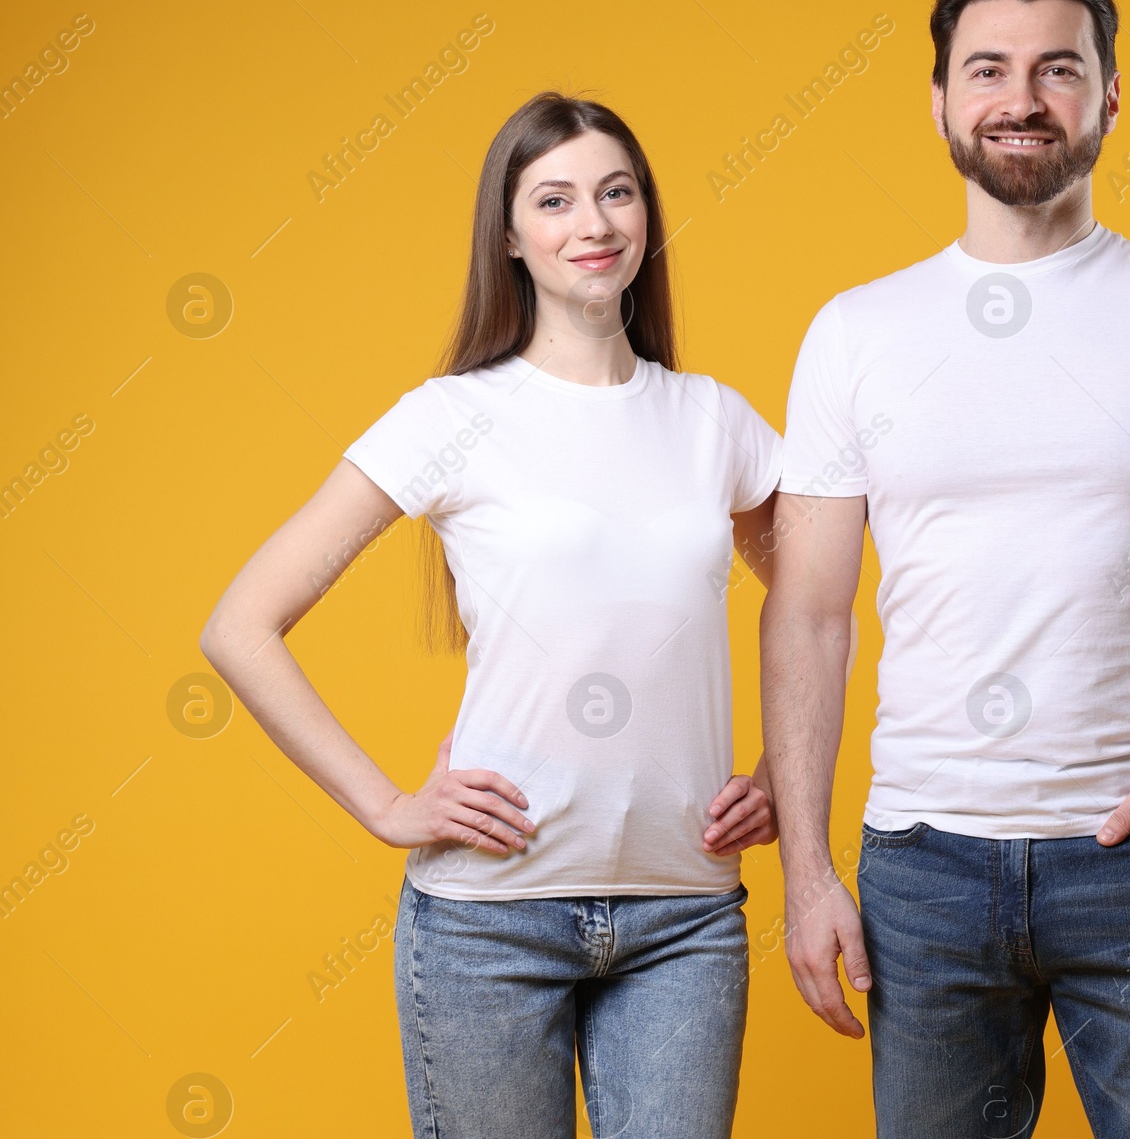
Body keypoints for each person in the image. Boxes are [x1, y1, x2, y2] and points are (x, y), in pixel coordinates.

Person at [760, 0, 1130, 1138]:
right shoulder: (855, 332)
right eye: (986, 69)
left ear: (1110, 95)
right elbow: (810, 612)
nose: (1019, 98)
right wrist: (808, 871)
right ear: (937, 101)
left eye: (1055, 70)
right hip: (921, 865)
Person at [200, 91, 784, 1139]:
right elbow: (240, 623)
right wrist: (385, 804)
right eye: (553, 200)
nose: (591, 225)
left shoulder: (715, 422)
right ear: (510, 237)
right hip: (487, 925)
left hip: (685, 916)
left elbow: (816, 603)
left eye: (615, 193)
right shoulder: (453, 419)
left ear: (647, 218)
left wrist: (785, 772)